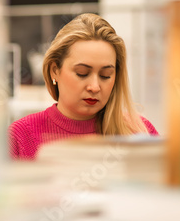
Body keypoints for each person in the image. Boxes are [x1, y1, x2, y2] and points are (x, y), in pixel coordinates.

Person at [9, 13, 158, 160]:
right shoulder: (20, 136)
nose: (94, 87)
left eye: (106, 75)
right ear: (54, 70)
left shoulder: (140, 132)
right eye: (82, 73)